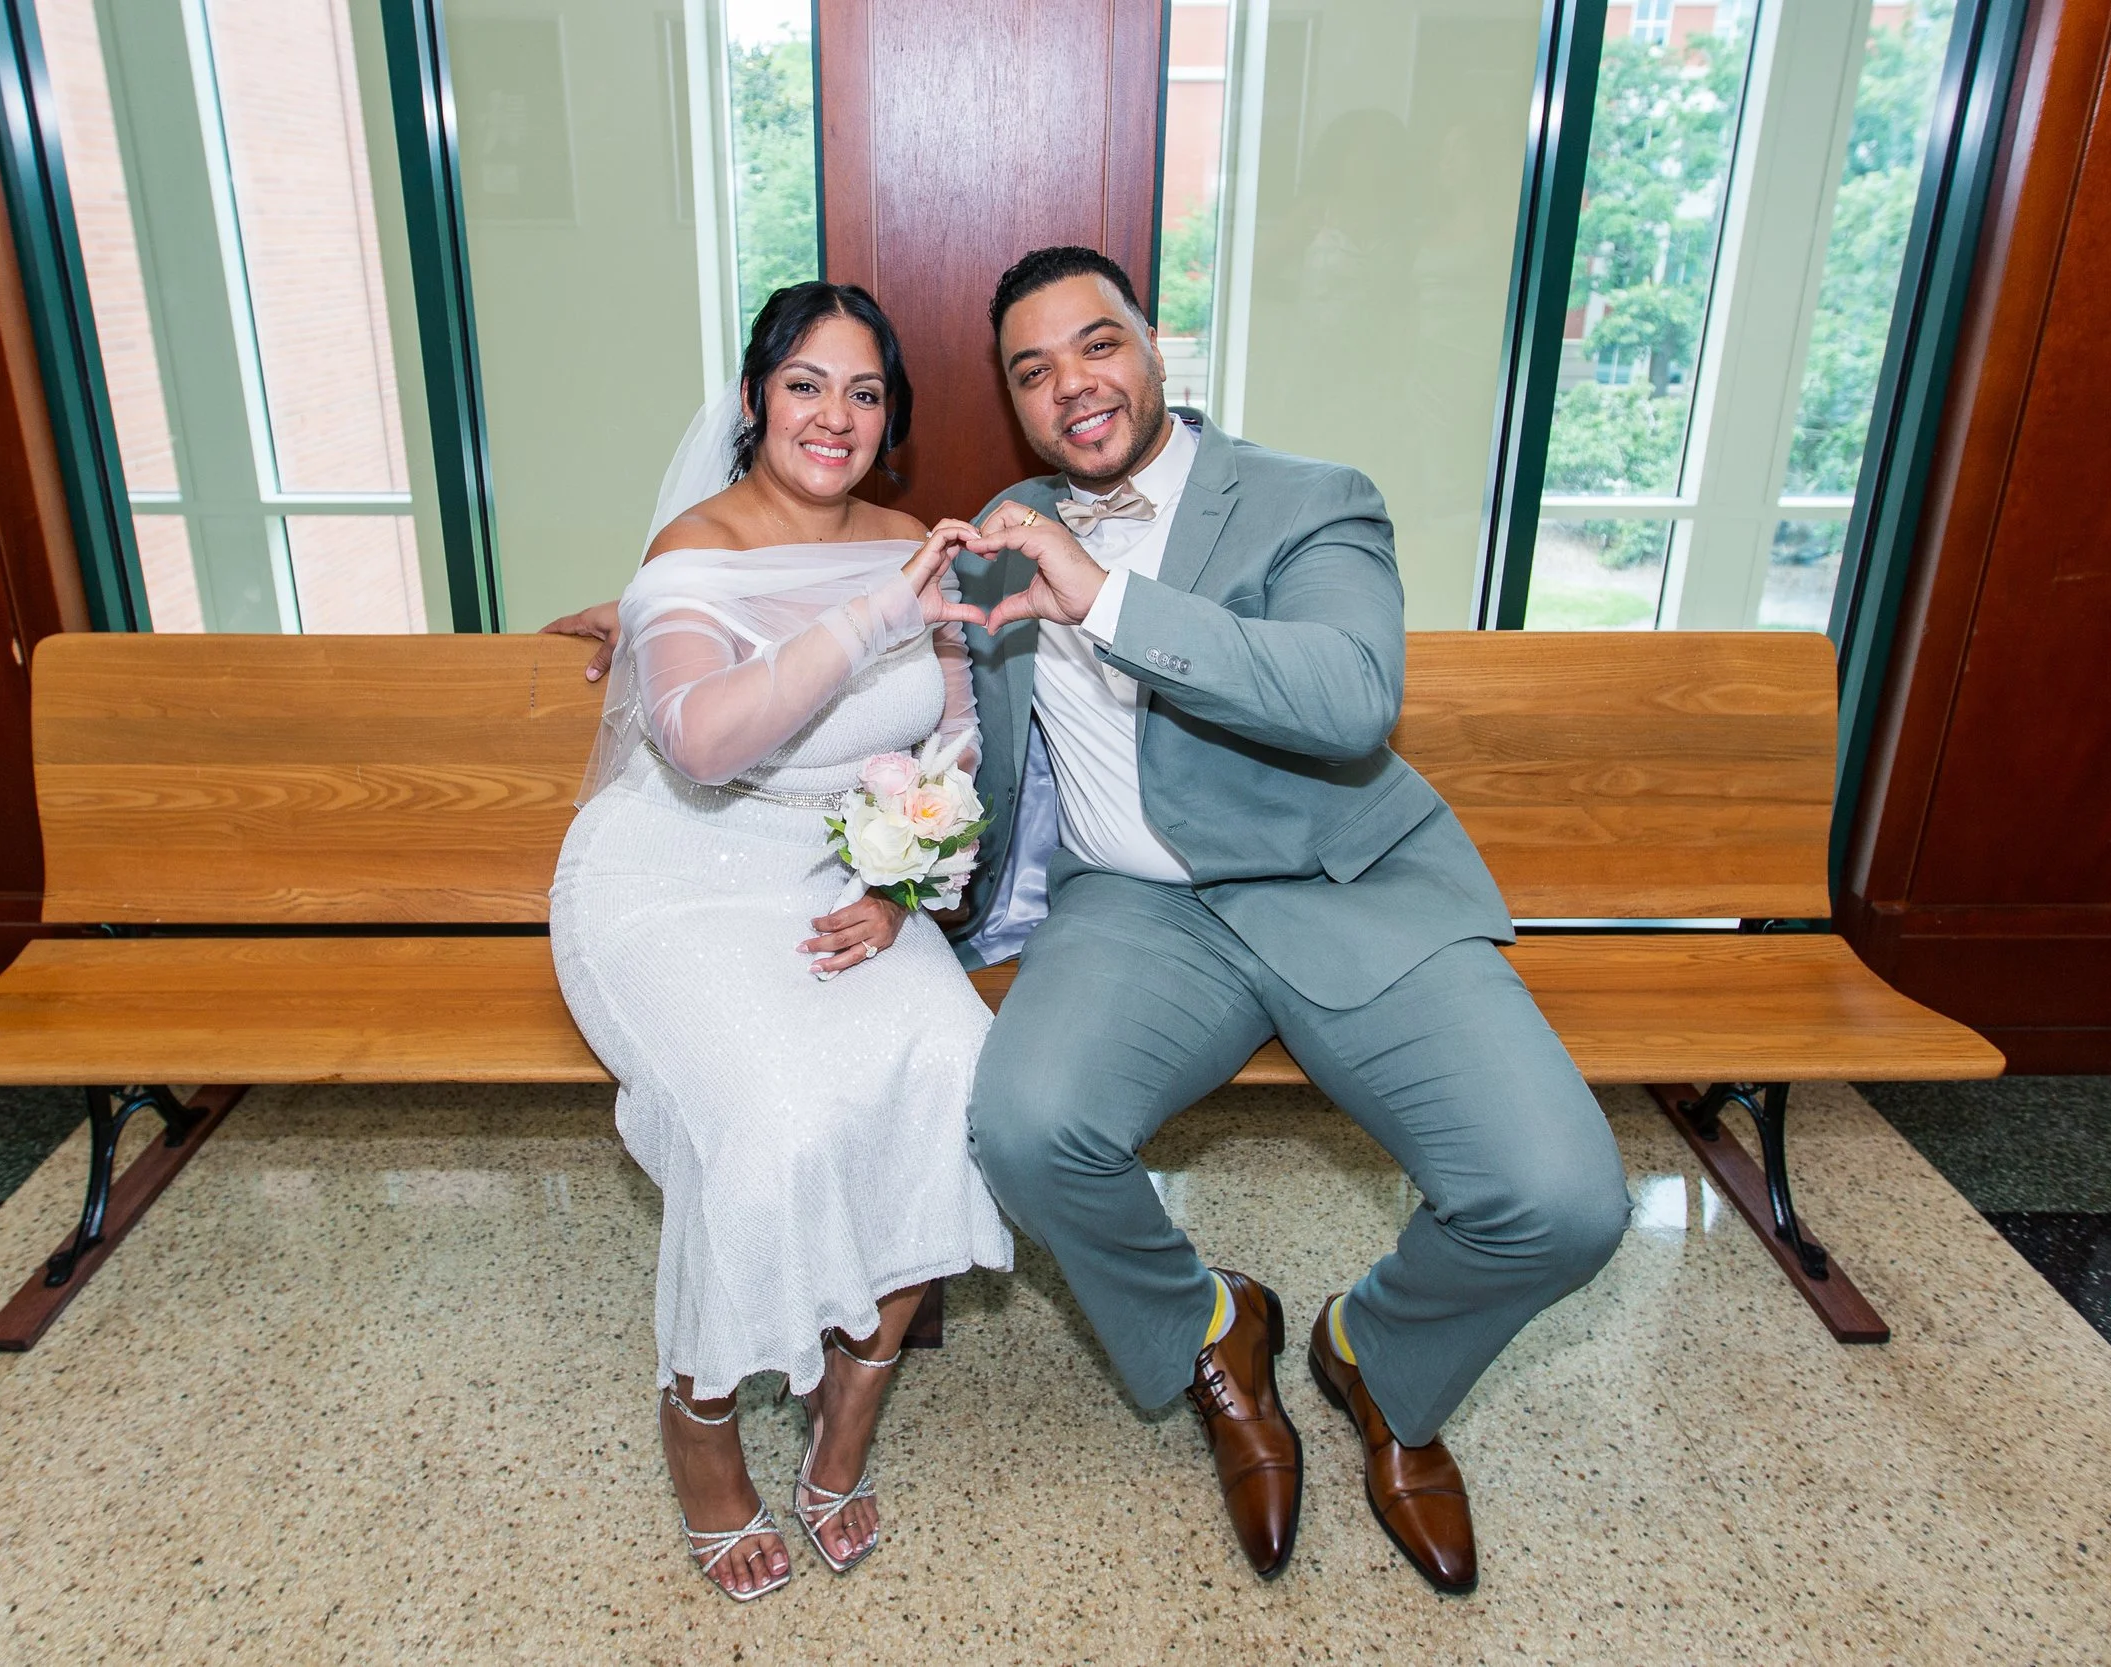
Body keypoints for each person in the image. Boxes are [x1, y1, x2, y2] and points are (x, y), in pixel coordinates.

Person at [550, 248, 1630, 1595]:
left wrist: (1102, 595)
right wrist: (658, 606)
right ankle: (1211, 1327)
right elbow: (821, 608)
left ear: (1155, 348)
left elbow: (1351, 695)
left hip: (1345, 888)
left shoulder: (1310, 499)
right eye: (1032, 369)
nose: (1073, 383)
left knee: (1568, 1200)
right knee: (1020, 1124)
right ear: (1009, 402)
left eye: (1097, 345)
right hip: (1135, 918)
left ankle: (1383, 1366)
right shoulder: (999, 524)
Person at [547, 281, 1010, 1603]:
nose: (835, 415)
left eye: (866, 393)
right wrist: (873, 612)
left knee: (968, 1082)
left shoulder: (912, 539)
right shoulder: (694, 553)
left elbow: (951, 738)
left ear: (892, 423)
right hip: (678, 878)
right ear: (755, 400)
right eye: (807, 383)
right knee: (777, 1116)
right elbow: (699, 742)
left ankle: (849, 1410)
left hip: (841, 873)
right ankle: (699, 1417)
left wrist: (913, 876)